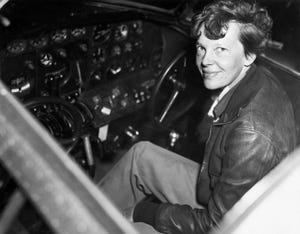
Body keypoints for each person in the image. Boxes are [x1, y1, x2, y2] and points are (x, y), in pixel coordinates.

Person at [98, 0, 297, 233]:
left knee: (135, 225)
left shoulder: (252, 135)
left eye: (220, 49)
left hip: (235, 226)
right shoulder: (254, 77)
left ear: (249, 55)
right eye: (202, 48)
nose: (205, 60)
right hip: (217, 190)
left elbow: (217, 225)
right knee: (141, 156)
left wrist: (143, 213)